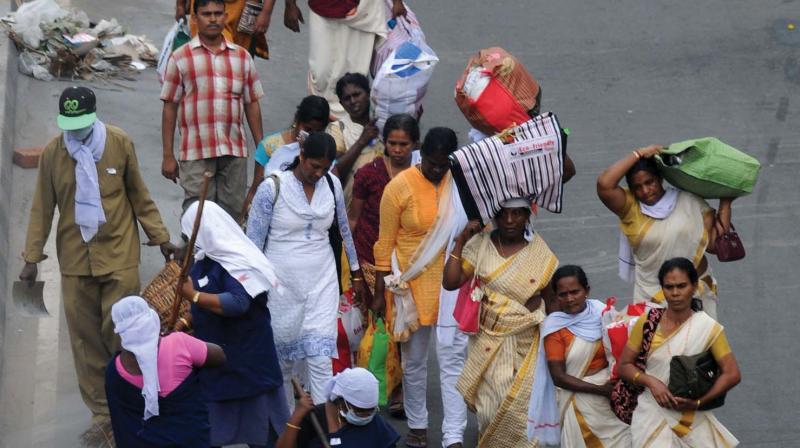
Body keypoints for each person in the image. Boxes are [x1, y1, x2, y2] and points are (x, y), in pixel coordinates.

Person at [19, 86, 176, 441]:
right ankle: (103, 413)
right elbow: (42, 209)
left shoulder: (119, 143)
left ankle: (129, 401)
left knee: (122, 336)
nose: (75, 131)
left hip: (119, 255)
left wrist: (162, 237)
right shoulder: (52, 155)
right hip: (76, 260)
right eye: (69, 124)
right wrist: (31, 258)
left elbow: (139, 194)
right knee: (85, 342)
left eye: (81, 123)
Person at [247, 132, 369, 406]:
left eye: (325, 167)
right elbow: (253, 243)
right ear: (301, 157)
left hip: (321, 281)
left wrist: (357, 274)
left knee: (321, 357)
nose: (319, 172)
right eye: (314, 165)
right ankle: (287, 425)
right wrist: (251, 290)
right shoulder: (272, 188)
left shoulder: (332, 184)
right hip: (281, 286)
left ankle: (325, 427)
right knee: (283, 362)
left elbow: (344, 231)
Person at [372, 127, 467, 448]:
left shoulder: (462, 183)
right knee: (414, 360)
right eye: (431, 164)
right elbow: (384, 244)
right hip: (411, 283)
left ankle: (453, 434)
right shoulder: (398, 187)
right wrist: (378, 294)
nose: (437, 171)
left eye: (444, 165)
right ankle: (418, 428)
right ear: (421, 155)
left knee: (453, 357)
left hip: (454, 280)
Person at [442, 199, 558, 448]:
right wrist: (460, 241)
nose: (509, 220)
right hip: (487, 342)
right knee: (490, 411)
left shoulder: (541, 254)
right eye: (504, 214)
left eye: (517, 214)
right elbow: (451, 282)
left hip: (525, 345)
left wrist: (557, 347)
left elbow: (552, 304)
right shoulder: (479, 246)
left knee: (522, 409)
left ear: (528, 215)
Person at [179, 200, 288, 447]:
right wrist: (187, 320)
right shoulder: (204, 261)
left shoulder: (237, 260)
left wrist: (193, 296)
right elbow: (207, 302)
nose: (189, 242)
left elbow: (238, 303)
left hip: (250, 363)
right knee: (211, 432)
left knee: (264, 433)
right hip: (219, 365)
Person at [596, 145, 734, 318]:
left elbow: (714, 246)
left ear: (660, 178)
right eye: (637, 187)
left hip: (696, 293)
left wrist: (726, 202)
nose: (645, 191)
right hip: (651, 296)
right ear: (630, 189)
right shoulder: (630, 208)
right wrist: (639, 153)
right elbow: (604, 184)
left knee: (704, 344)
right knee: (656, 345)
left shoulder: (690, 201)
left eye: (650, 182)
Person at [619, 258, 741, 447]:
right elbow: (624, 365)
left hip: (693, 419)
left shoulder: (708, 328)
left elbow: (732, 374)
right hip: (651, 415)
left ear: (694, 287)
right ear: (662, 289)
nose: (675, 293)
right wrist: (651, 382)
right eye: (669, 287)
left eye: (681, 286)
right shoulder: (647, 323)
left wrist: (699, 403)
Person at [161, 0, 265, 219]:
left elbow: (251, 103)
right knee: (198, 216)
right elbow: (170, 106)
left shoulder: (242, 57)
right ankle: (194, 254)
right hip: (196, 151)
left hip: (233, 150)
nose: (213, 19)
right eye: (206, 14)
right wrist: (168, 155)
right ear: (195, 18)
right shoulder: (180, 58)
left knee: (232, 216)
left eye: (218, 13)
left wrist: (261, 148)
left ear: (225, 16)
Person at [349, 113, 420, 416]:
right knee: (374, 325)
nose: (398, 149)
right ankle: (368, 388)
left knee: (403, 326)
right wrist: (350, 267)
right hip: (370, 259)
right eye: (392, 143)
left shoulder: (422, 173)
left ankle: (399, 389)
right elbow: (352, 219)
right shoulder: (368, 174)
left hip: (408, 262)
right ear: (384, 143)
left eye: (404, 144)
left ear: (414, 144)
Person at [526, 266, 631, 447]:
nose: (569, 299)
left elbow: (622, 349)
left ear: (587, 291)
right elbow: (559, 377)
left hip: (613, 397)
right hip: (581, 399)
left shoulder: (602, 312)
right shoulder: (554, 328)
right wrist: (601, 390)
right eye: (563, 294)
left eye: (575, 292)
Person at [106, 296, 227, 448]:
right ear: (152, 320)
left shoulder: (114, 370)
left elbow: (120, 423)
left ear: (120, 331)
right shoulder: (179, 344)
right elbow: (219, 356)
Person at [281, 0, 407, 118]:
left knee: (356, 75)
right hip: (322, 6)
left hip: (363, 10)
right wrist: (290, 5)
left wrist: (397, 2)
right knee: (320, 74)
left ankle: (351, 129)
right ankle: (321, 120)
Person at [276, 368, 400, 448]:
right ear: (341, 401)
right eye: (359, 411)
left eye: (371, 411)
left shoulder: (374, 421)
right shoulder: (314, 419)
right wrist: (296, 416)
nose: (366, 417)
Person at [248, 95, 331, 199]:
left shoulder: (325, 152)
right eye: (308, 129)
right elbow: (255, 190)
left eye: (318, 132)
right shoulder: (269, 147)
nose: (311, 136)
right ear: (297, 119)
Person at [328, 73, 384, 208]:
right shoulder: (338, 129)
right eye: (347, 98)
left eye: (357, 94)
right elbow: (335, 171)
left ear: (368, 93)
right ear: (341, 104)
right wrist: (362, 141)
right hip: (351, 205)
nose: (353, 101)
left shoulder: (383, 124)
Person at [178, 0, 272, 59]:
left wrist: (266, 11)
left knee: (239, 57)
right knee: (208, 51)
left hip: (242, 10)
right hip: (206, 5)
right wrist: (180, 5)